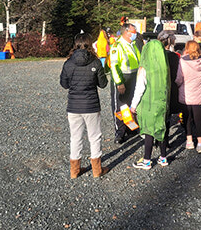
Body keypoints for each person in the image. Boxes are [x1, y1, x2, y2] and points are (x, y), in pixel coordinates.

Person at [60, 33, 109, 178]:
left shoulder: (68, 63)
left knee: (75, 137)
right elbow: (103, 84)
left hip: (74, 106)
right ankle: (96, 170)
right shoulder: (95, 62)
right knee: (94, 137)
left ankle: (74, 171)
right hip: (91, 105)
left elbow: (64, 84)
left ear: (75, 44)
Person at [130, 40, 170, 170]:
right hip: (163, 104)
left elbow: (139, 88)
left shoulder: (144, 68)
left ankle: (147, 160)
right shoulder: (165, 67)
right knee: (161, 128)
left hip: (149, 104)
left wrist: (133, 106)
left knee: (149, 131)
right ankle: (163, 157)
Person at [109, 23, 141, 144]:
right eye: (133, 32)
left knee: (130, 104)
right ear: (126, 33)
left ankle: (130, 127)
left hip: (133, 77)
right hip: (122, 78)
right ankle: (120, 131)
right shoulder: (117, 45)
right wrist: (119, 82)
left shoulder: (133, 44)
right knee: (120, 106)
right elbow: (114, 65)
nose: (135, 34)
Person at [175, 40, 201, 153]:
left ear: (187, 48)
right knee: (199, 120)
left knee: (187, 119)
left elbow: (179, 79)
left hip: (187, 94)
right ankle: (200, 143)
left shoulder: (183, 61)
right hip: (199, 94)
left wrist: (177, 85)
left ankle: (189, 141)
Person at [158, 30, 182, 147]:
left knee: (158, 115)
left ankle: (157, 139)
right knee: (167, 115)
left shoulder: (156, 56)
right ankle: (165, 141)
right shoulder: (174, 56)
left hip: (158, 88)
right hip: (171, 87)